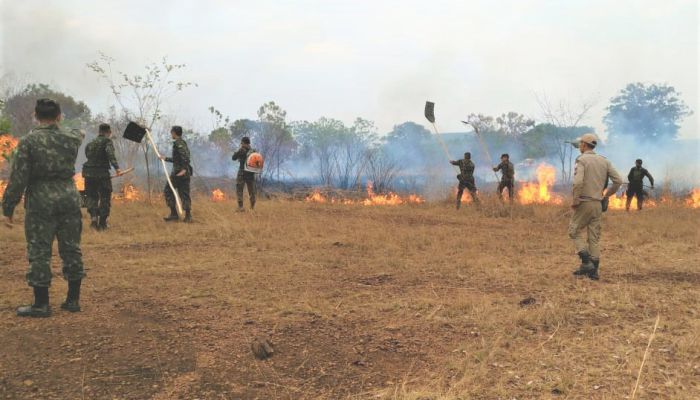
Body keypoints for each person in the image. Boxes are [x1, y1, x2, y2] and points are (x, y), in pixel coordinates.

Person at [2, 99, 86, 317]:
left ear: (35, 116)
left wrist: (8, 207)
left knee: (39, 250)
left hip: (41, 200)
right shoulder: (71, 138)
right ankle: (72, 300)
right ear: (59, 116)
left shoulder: (29, 141)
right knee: (71, 248)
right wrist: (62, 126)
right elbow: (80, 132)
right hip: (68, 196)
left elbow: (19, 178)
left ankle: (41, 304)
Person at [569, 133, 622, 280]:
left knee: (573, 231)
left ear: (584, 145)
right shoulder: (604, 161)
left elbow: (578, 182)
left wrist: (575, 199)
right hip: (598, 203)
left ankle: (586, 263)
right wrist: (606, 195)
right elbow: (618, 180)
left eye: (580, 144)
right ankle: (594, 271)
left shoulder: (581, 160)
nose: (579, 146)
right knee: (594, 237)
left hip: (584, 202)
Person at [82, 123, 121, 230]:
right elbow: (110, 155)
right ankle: (103, 224)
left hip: (88, 173)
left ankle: (94, 220)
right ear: (108, 132)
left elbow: (87, 155)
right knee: (104, 197)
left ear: (99, 131)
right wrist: (117, 168)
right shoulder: (107, 141)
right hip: (102, 174)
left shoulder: (90, 143)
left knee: (91, 197)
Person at [159, 126, 192, 223]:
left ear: (174, 133)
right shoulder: (182, 142)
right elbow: (177, 159)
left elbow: (185, 157)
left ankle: (174, 215)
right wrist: (165, 158)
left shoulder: (179, 143)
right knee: (184, 193)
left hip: (179, 174)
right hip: (182, 173)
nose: (171, 134)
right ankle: (187, 216)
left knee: (168, 191)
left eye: (171, 132)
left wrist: (184, 170)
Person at [232, 136, 256, 211]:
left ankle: (240, 207)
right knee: (251, 191)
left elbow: (233, 158)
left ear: (243, 143)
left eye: (241, 143)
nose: (241, 144)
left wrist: (237, 151)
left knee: (239, 189)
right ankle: (252, 207)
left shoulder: (242, 150)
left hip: (242, 172)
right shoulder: (253, 151)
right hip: (251, 173)